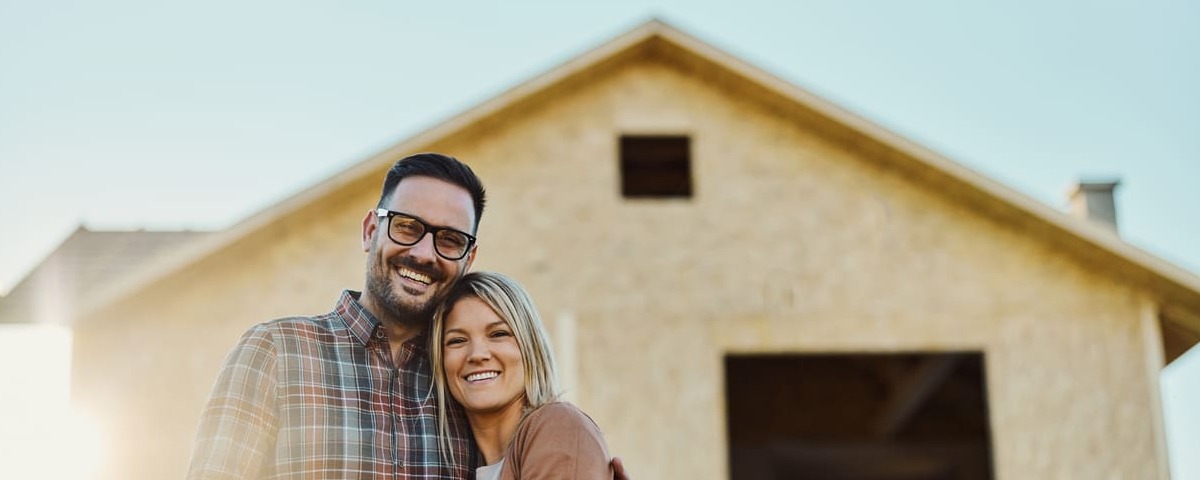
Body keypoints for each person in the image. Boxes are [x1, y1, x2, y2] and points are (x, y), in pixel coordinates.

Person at [187, 153, 632, 479]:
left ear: (468, 257)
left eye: (450, 239)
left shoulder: (468, 390)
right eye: (406, 226)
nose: (423, 253)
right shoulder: (278, 351)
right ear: (370, 230)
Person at [430, 271, 612, 480]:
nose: (477, 354)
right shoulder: (470, 466)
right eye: (457, 340)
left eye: (498, 334)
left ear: (531, 346)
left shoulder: (558, 427)